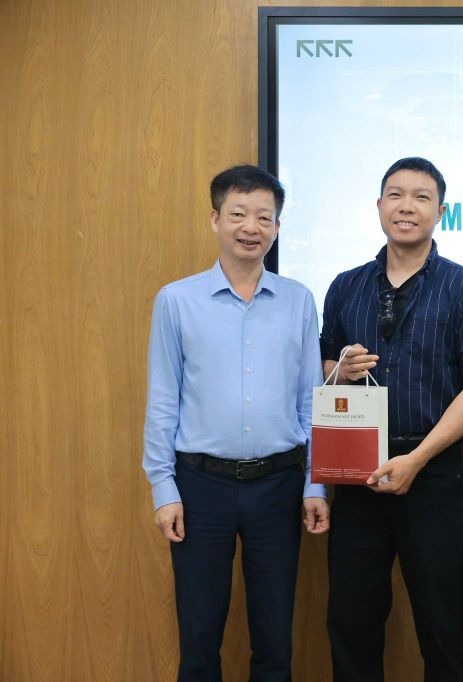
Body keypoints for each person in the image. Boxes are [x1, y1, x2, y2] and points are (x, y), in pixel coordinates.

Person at [319, 157, 463, 682]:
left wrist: (417, 460)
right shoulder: (346, 286)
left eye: (422, 197)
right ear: (379, 205)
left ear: (441, 212)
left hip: (432, 475)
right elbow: (326, 368)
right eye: (396, 195)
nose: (407, 207)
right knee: (351, 626)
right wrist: (341, 372)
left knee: (444, 630)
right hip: (356, 473)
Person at [142, 164, 330, 681]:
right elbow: (163, 400)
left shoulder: (298, 300)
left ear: (277, 226)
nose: (251, 227)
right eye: (239, 214)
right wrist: (163, 488)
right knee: (199, 640)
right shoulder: (176, 301)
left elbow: (309, 400)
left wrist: (315, 483)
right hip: (200, 487)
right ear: (215, 219)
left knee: (275, 643)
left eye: (264, 217)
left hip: (279, 485)